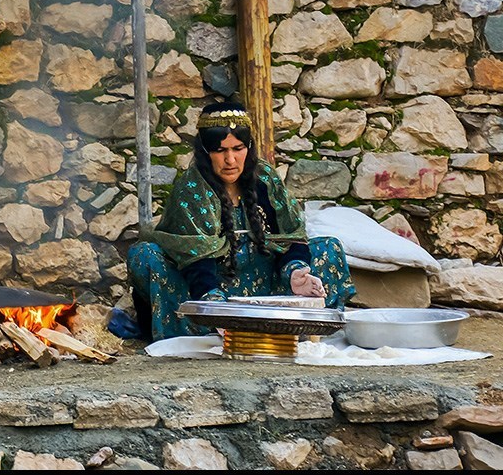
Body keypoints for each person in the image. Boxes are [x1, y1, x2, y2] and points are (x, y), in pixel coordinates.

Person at [123, 101, 355, 341]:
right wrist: (218, 310)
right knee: (144, 255)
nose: (230, 160)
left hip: (265, 286)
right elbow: (196, 259)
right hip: (211, 288)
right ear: (205, 151)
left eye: (238, 148)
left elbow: (291, 236)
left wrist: (295, 273)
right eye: (221, 150)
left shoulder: (265, 178)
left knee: (329, 247)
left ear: (249, 147)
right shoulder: (192, 188)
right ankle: (210, 330)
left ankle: (294, 325)